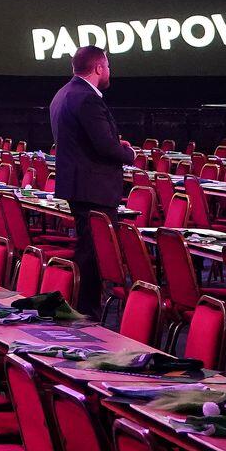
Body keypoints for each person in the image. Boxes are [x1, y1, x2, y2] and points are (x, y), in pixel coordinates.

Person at [49, 44, 135, 316]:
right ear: (98, 68)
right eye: (107, 66)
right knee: (93, 254)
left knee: (88, 250)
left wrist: (113, 144)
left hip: (79, 186)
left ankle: (81, 310)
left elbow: (86, 141)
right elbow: (104, 147)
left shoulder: (63, 94)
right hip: (94, 189)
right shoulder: (87, 98)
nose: (109, 71)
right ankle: (87, 314)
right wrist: (128, 153)